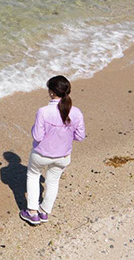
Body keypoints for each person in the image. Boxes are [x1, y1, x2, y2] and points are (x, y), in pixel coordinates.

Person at [19, 75, 86, 226]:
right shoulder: (76, 112)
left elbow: (37, 136)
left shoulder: (43, 111)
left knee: (33, 176)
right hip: (63, 156)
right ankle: (44, 211)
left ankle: (32, 212)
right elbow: (80, 136)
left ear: (51, 92)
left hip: (42, 154)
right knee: (53, 181)